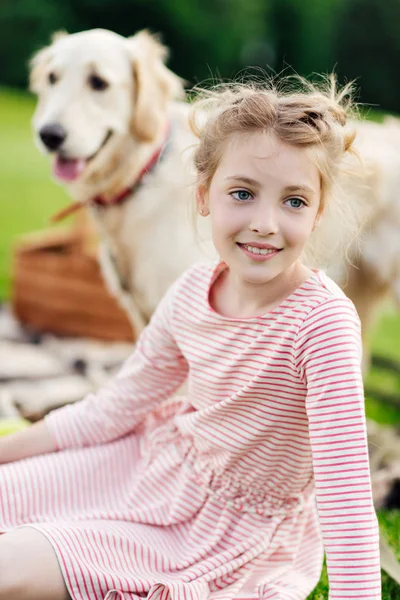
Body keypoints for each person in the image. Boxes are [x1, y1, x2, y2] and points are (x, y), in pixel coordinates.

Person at [0, 76, 381, 600]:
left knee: (11, 569)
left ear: (317, 213)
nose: (266, 223)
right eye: (243, 194)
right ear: (205, 197)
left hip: (221, 533)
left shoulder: (322, 325)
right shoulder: (193, 290)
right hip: (154, 466)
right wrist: (7, 450)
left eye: (294, 201)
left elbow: (345, 489)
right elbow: (113, 408)